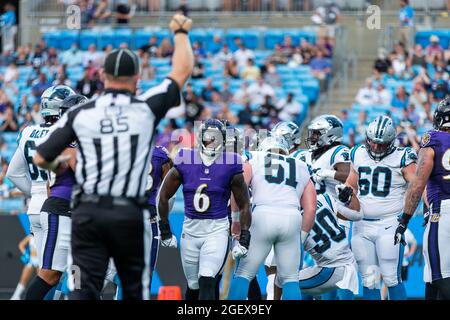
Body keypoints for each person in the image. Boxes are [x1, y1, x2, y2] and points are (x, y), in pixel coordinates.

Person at [33, 13, 194, 300]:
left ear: (104, 76)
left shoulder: (80, 113)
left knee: (83, 288)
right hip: (129, 214)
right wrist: (180, 32)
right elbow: (181, 71)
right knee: (134, 290)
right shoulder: (144, 108)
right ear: (137, 77)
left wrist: (58, 165)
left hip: (88, 215)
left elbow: (42, 156)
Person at [158, 119, 252, 300]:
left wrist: (245, 237)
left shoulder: (231, 163)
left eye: (215, 138)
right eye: (208, 138)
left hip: (216, 229)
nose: (211, 142)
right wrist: (165, 229)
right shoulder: (186, 159)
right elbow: (163, 195)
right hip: (190, 230)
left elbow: (244, 204)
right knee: (193, 286)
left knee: (207, 279)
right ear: (200, 138)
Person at [6, 85, 76, 299]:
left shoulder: (28, 131)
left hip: (37, 206)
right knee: (56, 271)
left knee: (50, 269)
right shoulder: (64, 133)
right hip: (58, 204)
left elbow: (13, 173)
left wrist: (35, 193)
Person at [228, 135, 316, 300]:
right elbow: (310, 209)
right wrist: (301, 238)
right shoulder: (301, 165)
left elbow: (238, 189)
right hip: (292, 216)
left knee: (244, 273)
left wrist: (236, 221)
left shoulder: (255, 159)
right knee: (290, 279)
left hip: (262, 215)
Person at [340, 115, 417, 300]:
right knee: (370, 279)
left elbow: (417, 186)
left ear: (391, 142)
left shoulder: (402, 157)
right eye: (372, 142)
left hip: (389, 224)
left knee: (391, 278)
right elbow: (352, 184)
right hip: (361, 225)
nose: (375, 147)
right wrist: (346, 192)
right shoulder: (358, 153)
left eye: (380, 144)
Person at [25, 94, 86, 300]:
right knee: (50, 274)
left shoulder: (64, 140)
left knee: (79, 272)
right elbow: (85, 174)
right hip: (61, 211)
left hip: (69, 210)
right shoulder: (71, 144)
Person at [394, 97, 450, 299]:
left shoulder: (433, 138)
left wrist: (405, 219)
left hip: (443, 211)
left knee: (439, 275)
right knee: (431, 278)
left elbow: (417, 185)